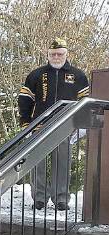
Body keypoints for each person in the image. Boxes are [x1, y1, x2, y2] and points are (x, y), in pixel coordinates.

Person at [18, 38, 89, 211]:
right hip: (39, 127)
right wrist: (26, 123)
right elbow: (25, 99)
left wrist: (81, 126)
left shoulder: (78, 76)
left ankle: (61, 198)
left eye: (60, 54)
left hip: (65, 126)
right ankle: (39, 198)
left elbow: (85, 103)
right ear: (48, 55)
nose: (56, 57)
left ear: (66, 54)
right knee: (37, 163)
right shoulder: (36, 74)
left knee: (63, 163)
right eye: (53, 54)